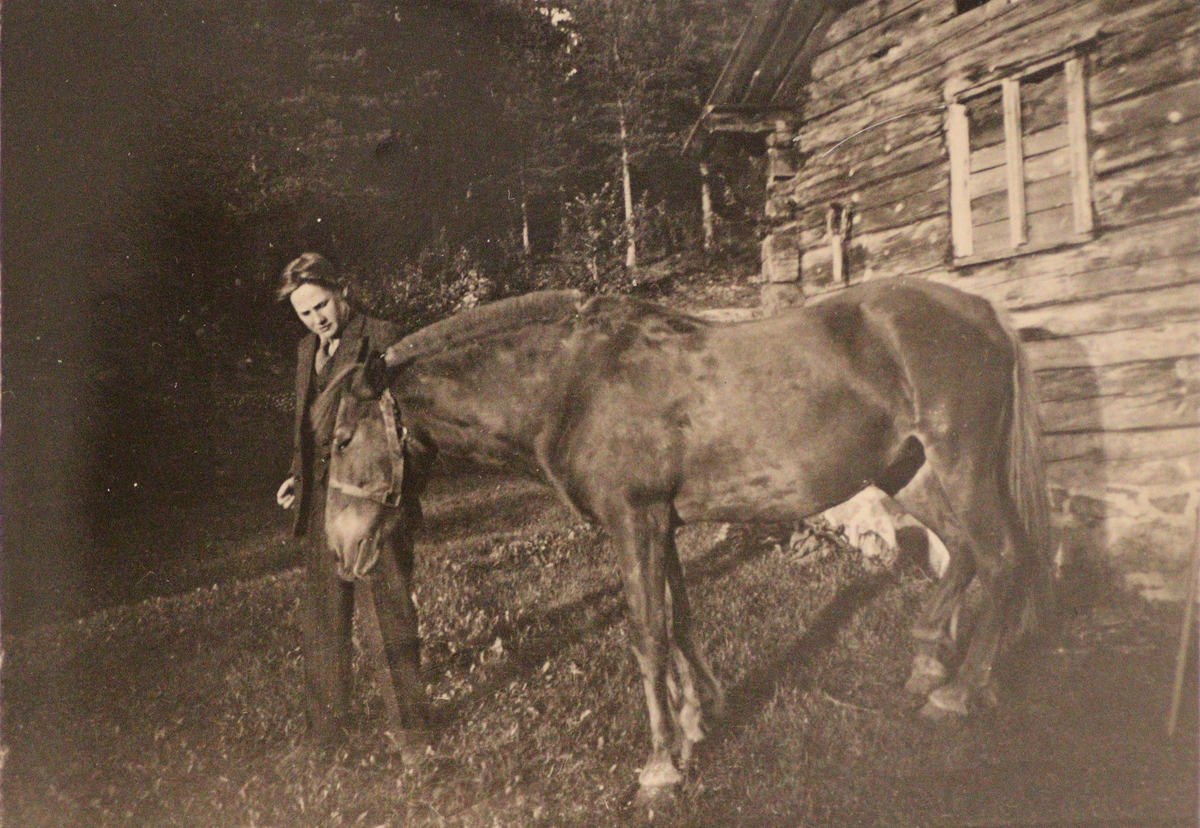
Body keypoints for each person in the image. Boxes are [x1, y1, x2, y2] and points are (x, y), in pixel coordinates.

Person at [275, 252, 426, 751]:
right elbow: (308, 426)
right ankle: (326, 738)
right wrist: (298, 479)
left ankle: (412, 733)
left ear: (342, 292)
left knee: (388, 615)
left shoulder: (382, 337)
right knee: (323, 620)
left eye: (322, 305)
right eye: (305, 313)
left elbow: (405, 428)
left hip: (370, 501)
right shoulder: (306, 352)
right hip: (322, 504)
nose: (317, 319)